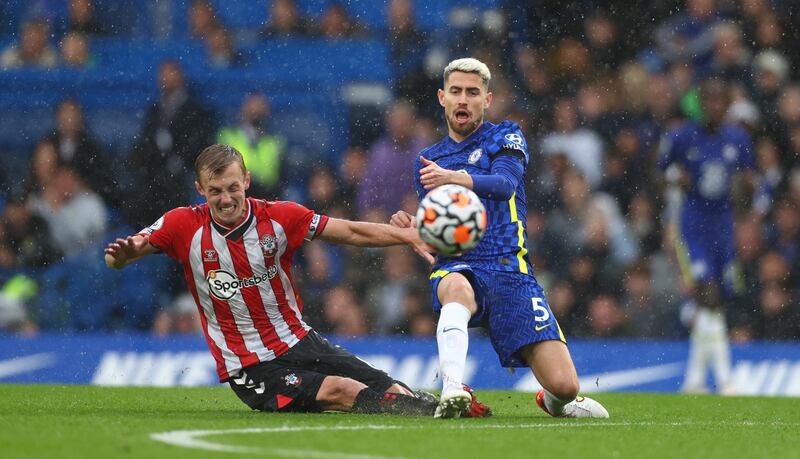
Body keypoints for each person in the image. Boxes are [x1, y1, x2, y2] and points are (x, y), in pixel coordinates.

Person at [103, 144, 487, 417]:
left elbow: (350, 231)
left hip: (298, 339)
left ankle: (432, 409)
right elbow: (126, 250)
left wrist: (405, 235)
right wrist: (120, 257)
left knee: (391, 389)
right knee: (343, 391)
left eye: (233, 187)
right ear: (201, 189)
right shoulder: (182, 225)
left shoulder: (280, 216)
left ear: (247, 181)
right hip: (251, 366)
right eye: (216, 191)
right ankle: (437, 412)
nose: (226, 198)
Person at [390, 58, 609, 418]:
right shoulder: (428, 160)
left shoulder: (504, 135)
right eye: (456, 92)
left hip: (509, 268)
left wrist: (457, 177)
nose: (464, 100)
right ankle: (454, 388)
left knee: (566, 387)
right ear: (442, 98)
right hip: (460, 265)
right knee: (455, 288)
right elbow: (445, 225)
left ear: (487, 100)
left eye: (473, 93)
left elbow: (505, 185)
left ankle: (551, 400)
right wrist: (416, 227)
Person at [657, 77, 755, 394]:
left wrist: (749, 198)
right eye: (708, 100)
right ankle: (726, 380)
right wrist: (674, 176)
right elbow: (658, 171)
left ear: (727, 104)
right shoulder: (682, 136)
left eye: (719, 100)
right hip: (693, 226)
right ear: (700, 103)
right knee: (708, 294)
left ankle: (695, 381)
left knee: (715, 302)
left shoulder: (738, 138)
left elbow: (749, 181)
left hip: (723, 226)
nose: (713, 106)